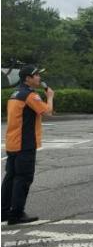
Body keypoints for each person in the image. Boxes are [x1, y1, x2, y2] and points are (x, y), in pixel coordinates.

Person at [2, 65, 54, 225]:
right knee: (23, 178)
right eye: (36, 75)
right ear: (27, 78)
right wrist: (50, 97)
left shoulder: (15, 94)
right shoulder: (31, 95)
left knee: (10, 177)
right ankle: (17, 214)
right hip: (25, 143)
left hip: (12, 142)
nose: (39, 77)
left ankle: (4, 211)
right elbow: (47, 112)